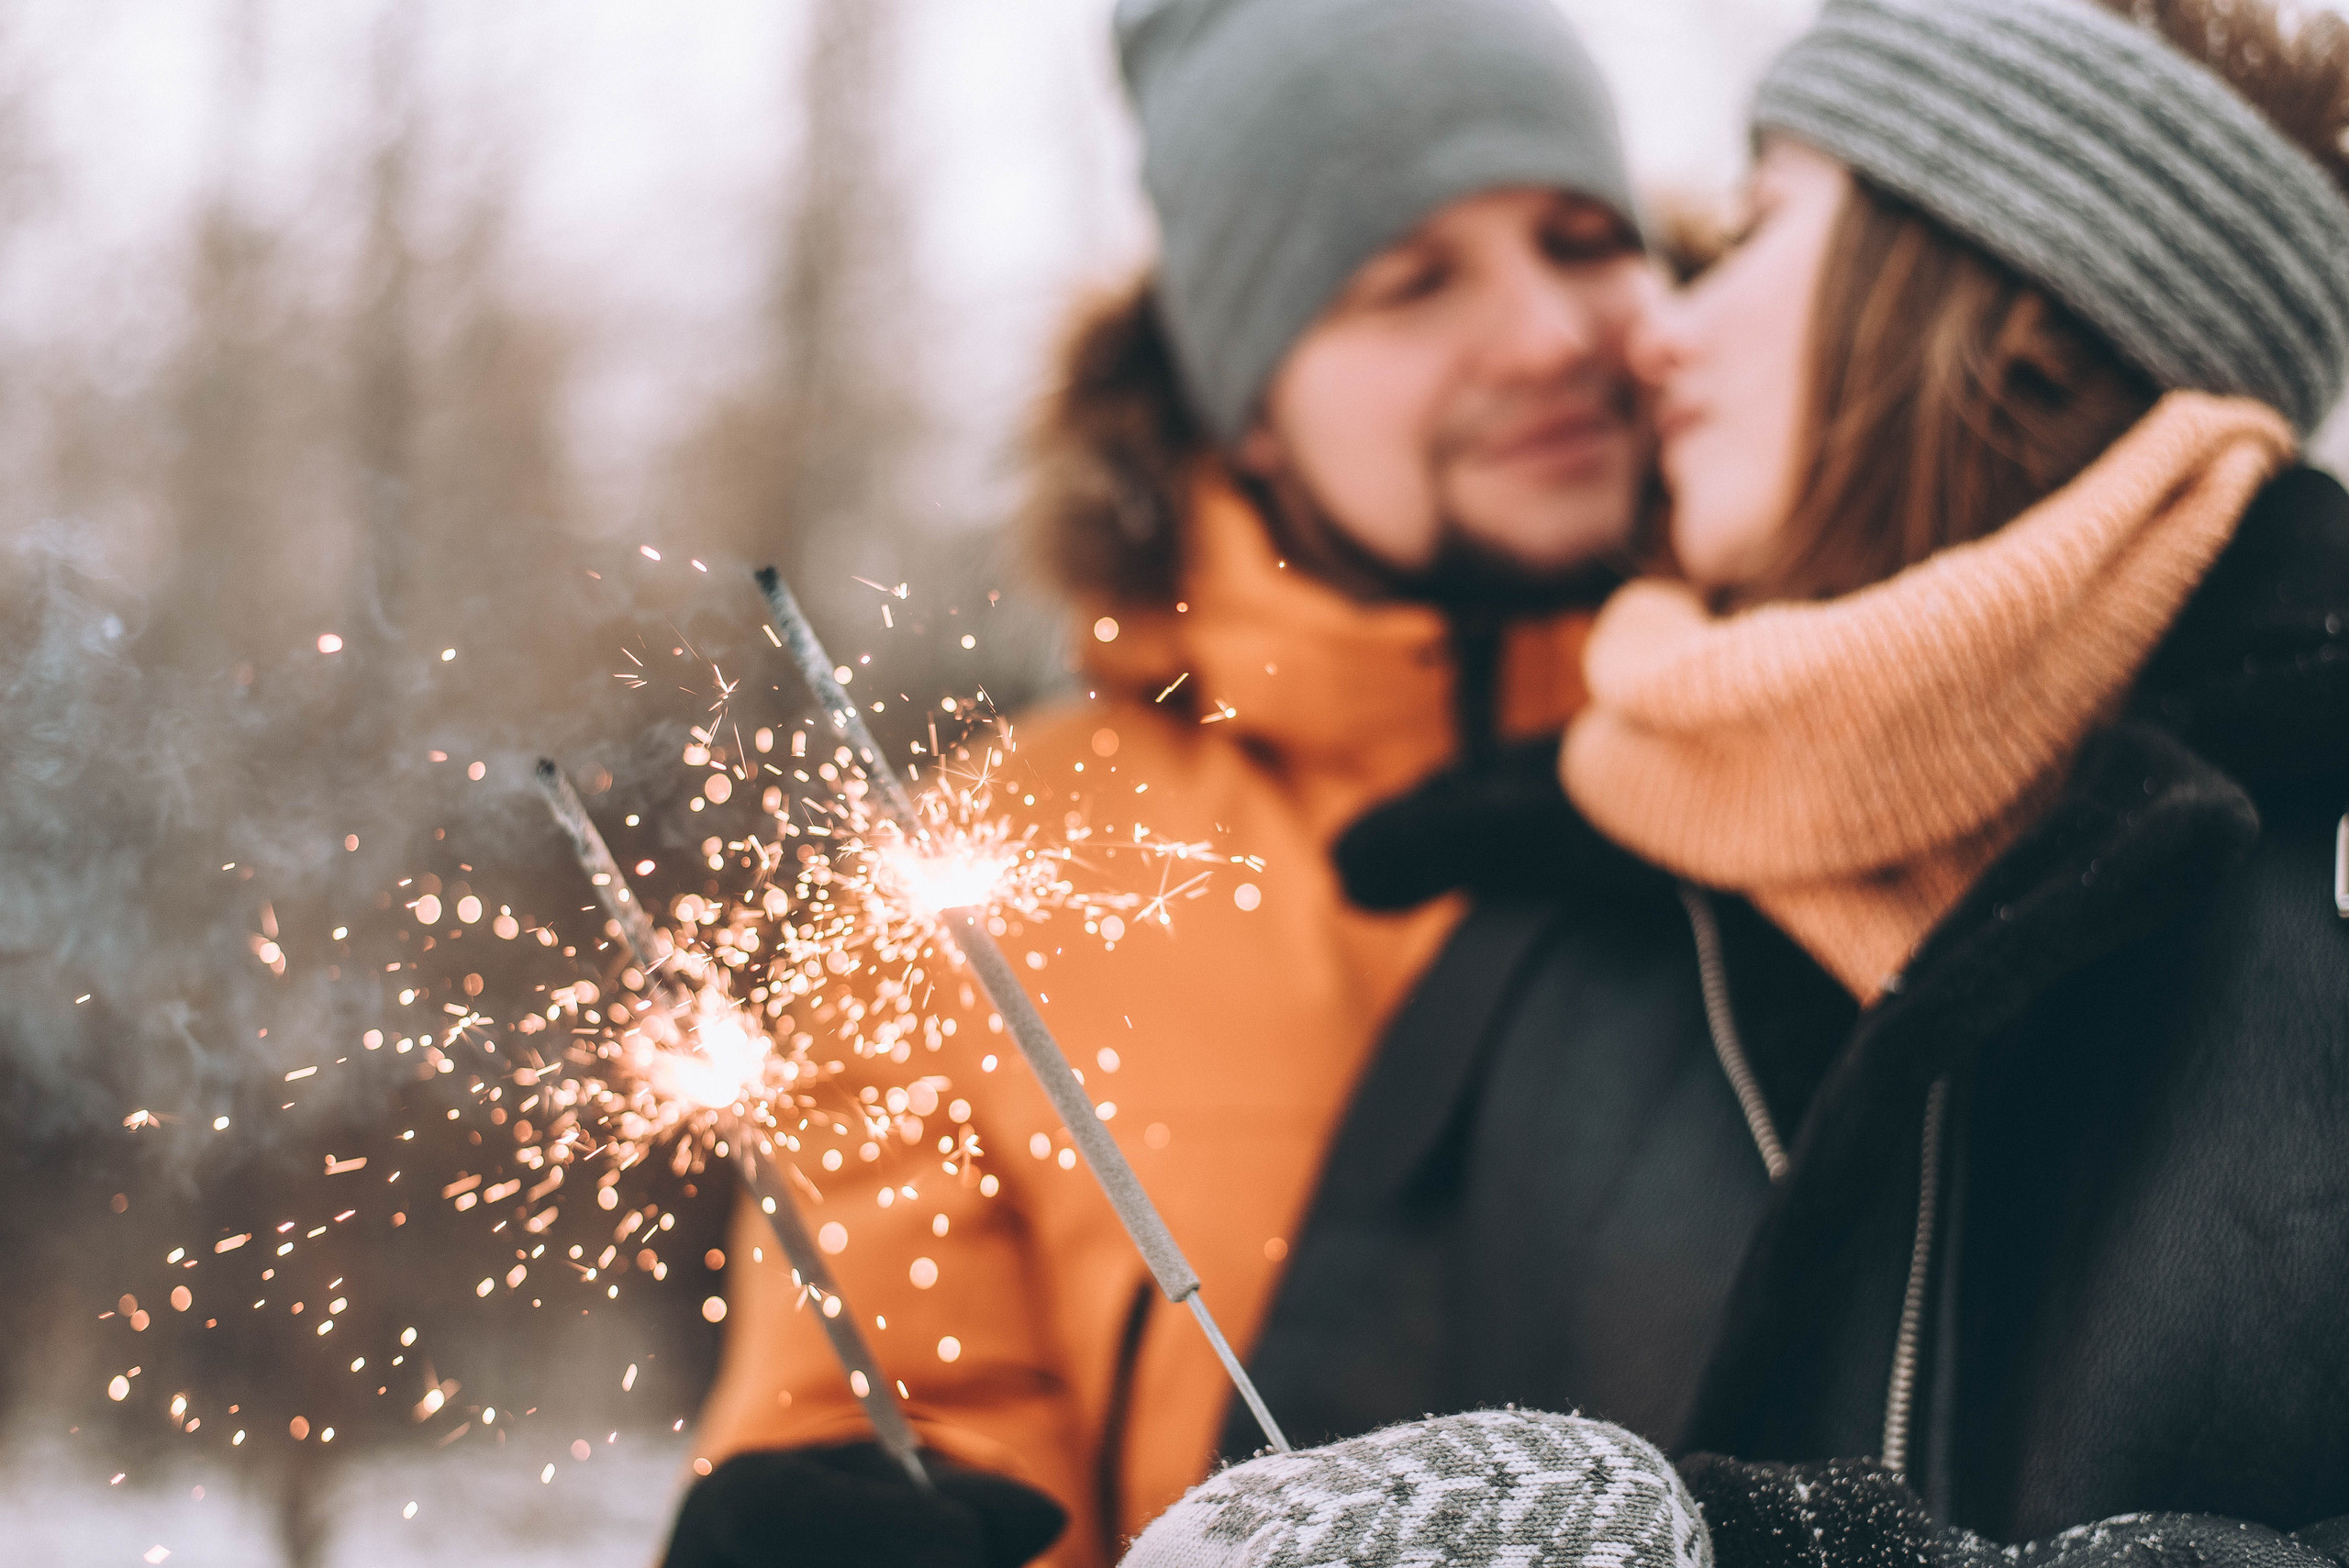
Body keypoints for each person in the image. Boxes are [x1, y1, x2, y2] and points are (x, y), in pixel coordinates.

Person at [1289, 0, 2349, 1559]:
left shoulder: (2320, 865)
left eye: (1754, 229)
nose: (1654, 332)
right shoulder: (1532, 937)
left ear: (2004, 291)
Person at [661, 1, 1659, 1563]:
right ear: (1240, 401)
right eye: (1412, 282)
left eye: (1587, 242)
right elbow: (915, 1408)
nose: (1548, 337)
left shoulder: (1868, 758)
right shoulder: (986, 875)